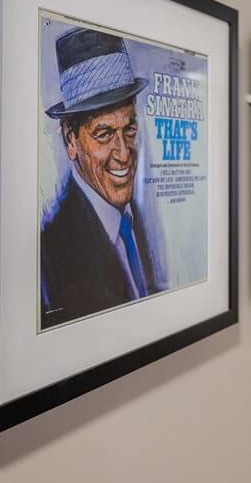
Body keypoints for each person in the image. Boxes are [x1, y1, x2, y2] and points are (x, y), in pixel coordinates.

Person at [40, 27, 168, 329]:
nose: (123, 153)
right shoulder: (51, 253)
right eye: (104, 134)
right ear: (71, 140)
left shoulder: (135, 218)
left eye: (130, 129)